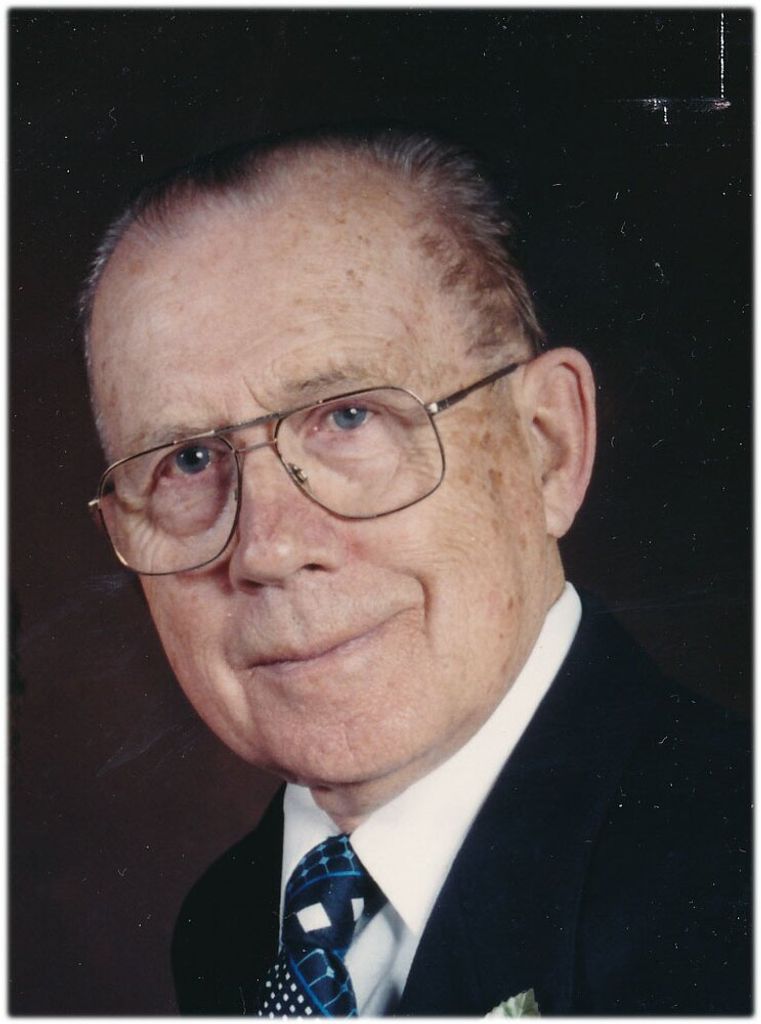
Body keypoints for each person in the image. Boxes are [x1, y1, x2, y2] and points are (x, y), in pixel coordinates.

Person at [82, 127, 750, 1016]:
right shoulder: (231, 923)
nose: (267, 549)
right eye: (188, 461)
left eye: (348, 417)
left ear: (547, 445)